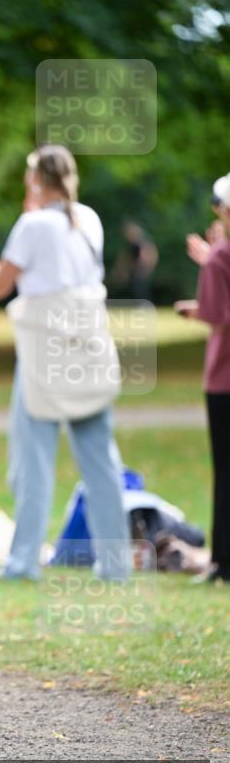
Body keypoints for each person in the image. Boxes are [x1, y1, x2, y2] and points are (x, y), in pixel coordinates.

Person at [0, 144, 130, 581]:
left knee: (32, 461)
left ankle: (23, 562)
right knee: (100, 461)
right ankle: (115, 564)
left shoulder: (32, 225)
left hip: (44, 353)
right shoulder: (88, 219)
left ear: (36, 181)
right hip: (87, 351)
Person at [175, 173, 230, 584]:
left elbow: (215, 316)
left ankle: (223, 561)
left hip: (223, 378)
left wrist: (191, 309)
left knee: (225, 471)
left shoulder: (219, 257)